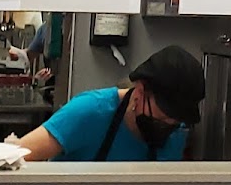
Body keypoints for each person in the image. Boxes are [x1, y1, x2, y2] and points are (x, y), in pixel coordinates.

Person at [14, 45, 205, 162]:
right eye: (164, 114)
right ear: (140, 91)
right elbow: (15, 156)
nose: (169, 124)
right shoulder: (89, 111)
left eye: (176, 120)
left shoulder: (176, 132)